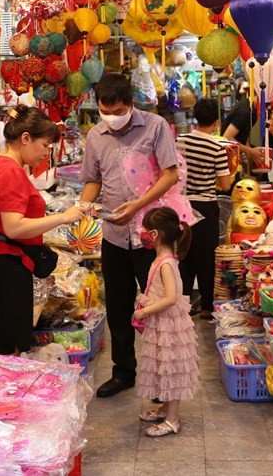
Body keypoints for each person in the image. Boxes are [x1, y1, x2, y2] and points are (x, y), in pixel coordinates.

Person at [79, 74, 179, 398]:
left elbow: (170, 174)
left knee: (158, 308)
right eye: (105, 112)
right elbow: (93, 181)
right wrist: (80, 209)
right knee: (118, 308)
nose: (112, 117)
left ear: (131, 104)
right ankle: (123, 372)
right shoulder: (95, 136)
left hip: (151, 236)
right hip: (114, 235)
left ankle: (163, 378)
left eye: (118, 111)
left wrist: (138, 204)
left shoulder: (155, 126)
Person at [0, 105, 85, 355]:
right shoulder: (9, 170)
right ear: (25, 138)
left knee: (7, 342)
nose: (46, 153)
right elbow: (14, 227)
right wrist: (62, 218)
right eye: (44, 145)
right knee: (13, 350)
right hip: (4, 264)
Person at [133, 207, 199, 437]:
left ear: (154, 234)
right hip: (162, 323)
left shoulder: (166, 264)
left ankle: (173, 419)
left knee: (171, 370)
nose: (141, 234)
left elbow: (170, 298)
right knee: (163, 367)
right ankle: (165, 409)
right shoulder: (162, 260)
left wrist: (145, 311)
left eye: (145, 230)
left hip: (168, 324)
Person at [176, 99, 233, 319]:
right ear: (216, 123)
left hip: (181, 205)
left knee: (184, 254)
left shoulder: (179, 141)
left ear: (195, 118)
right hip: (206, 206)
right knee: (206, 257)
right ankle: (207, 307)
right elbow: (225, 185)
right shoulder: (217, 148)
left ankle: (183, 305)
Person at [222, 86, 267, 166]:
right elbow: (227, 137)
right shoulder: (245, 111)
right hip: (226, 157)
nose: (268, 107)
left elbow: (243, 134)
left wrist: (250, 152)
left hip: (234, 155)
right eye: (267, 104)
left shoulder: (252, 109)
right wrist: (250, 151)